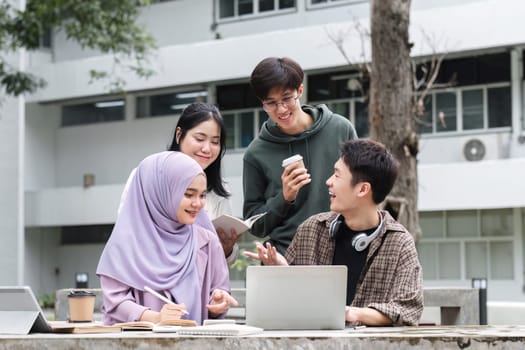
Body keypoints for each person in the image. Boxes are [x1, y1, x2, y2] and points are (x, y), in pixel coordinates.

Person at [244, 139, 423, 326]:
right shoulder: (311, 229)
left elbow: (408, 310)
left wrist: (353, 313)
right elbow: (290, 302)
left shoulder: (400, 242)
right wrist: (283, 271)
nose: (328, 182)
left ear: (363, 189)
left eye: (337, 176)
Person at [97, 151, 238, 325]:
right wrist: (155, 318)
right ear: (160, 192)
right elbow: (116, 302)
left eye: (202, 195)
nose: (198, 204)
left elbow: (218, 294)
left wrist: (218, 303)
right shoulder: (124, 245)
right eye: (188, 194)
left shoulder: (208, 242)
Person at [243, 56, 358, 255]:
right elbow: (255, 225)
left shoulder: (341, 130)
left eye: (287, 98)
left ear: (300, 91)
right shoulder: (256, 153)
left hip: (340, 249)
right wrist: (284, 198)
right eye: (271, 103)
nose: (281, 109)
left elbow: (362, 188)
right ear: (263, 103)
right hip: (286, 256)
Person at [120, 102, 239, 263]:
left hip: (200, 285)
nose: (207, 149)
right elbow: (127, 234)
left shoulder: (220, 189)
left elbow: (227, 260)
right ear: (179, 135)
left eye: (215, 142)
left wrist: (227, 250)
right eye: (199, 138)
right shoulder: (145, 176)